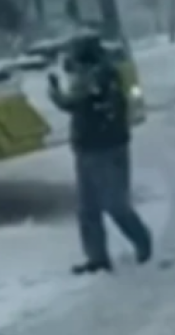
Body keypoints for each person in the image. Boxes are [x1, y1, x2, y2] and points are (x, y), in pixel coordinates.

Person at [48, 33, 152, 275]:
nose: (69, 61)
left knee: (114, 205)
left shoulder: (98, 76)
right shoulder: (98, 73)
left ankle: (141, 241)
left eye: (73, 54)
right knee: (88, 209)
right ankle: (97, 258)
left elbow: (71, 102)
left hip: (104, 149)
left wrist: (54, 91)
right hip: (89, 148)